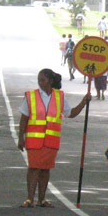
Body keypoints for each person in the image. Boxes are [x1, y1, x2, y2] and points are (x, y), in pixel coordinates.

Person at [18, 69, 91, 208]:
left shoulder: (59, 96)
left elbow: (71, 113)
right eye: (39, 80)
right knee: (33, 168)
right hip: (34, 140)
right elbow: (24, 118)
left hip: (51, 141)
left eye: (43, 80)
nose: (40, 83)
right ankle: (29, 199)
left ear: (50, 81)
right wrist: (20, 137)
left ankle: (42, 199)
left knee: (45, 169)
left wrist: (83, 102)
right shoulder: (31, 96)